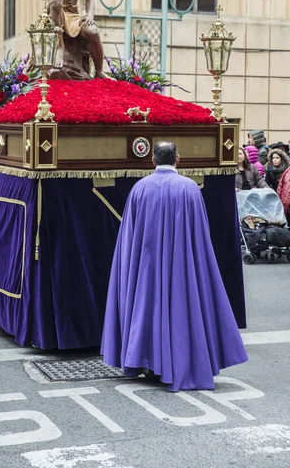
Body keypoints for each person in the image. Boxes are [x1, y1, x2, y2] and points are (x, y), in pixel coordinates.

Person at [101, 141, 248, 392]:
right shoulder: (190, 189)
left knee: (146, 308)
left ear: (153, 160)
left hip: (146, 266)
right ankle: (182, 362)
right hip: (182, 265)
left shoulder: (139, 189)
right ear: (178, 159)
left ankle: (147, 362)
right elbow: (200, 238)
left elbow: (128, 238)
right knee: (182, 310)